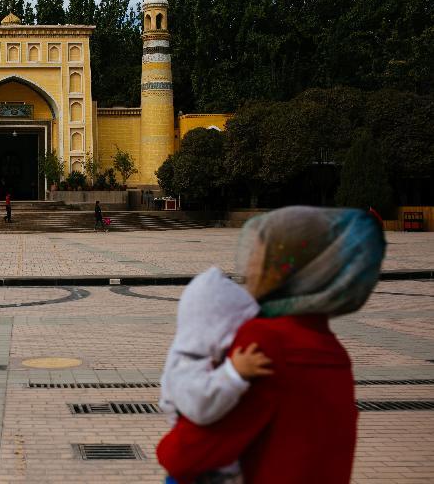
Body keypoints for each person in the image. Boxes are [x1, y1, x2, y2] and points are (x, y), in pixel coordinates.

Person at [157, 206, 386, 484]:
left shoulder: (266, 341)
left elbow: (186, 456)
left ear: (284, 269)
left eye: (259, 254)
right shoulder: (334, 351)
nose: (250, 265)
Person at [158, 266, 270, 483]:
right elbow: (199, 404)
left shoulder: (203, 354)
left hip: (216, 464)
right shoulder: (185, 363)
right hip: (196, 473)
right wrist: (234, 374)